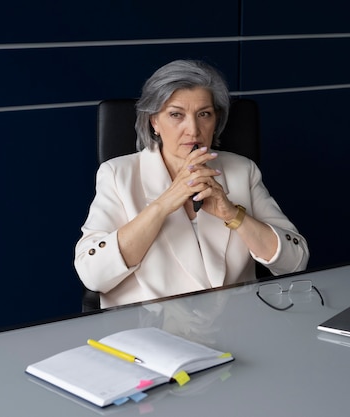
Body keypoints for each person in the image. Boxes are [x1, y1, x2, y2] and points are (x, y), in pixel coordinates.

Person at [74, 59, 309, 308]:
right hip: (150, 329)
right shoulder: (118, 174)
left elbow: (295, 263)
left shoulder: (242, 170)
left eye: (204, 114)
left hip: (236, 323)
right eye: (176, 115)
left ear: (216, 120)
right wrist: (165, 202)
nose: (193, 130)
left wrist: (233, 214)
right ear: (154, 121)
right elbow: (93, 275)